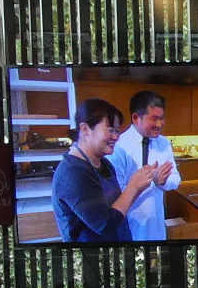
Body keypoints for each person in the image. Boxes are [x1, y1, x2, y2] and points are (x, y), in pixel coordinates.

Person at [50, 99, 166, 245]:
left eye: (117, 131)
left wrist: (144, 183)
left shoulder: (103, 163)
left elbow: (118, 207)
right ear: (85, 129)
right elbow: (105, 224)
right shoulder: (73, 173)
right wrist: (134, 186)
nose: (116, 137)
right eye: (110, 130)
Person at [109, 89, 179, 242]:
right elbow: (116, 193)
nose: (160, 124)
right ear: (136, 118)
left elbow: (176, 179)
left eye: (162, 118)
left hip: (156, 223)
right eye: (154, 119)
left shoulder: (164, 143)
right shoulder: (120, 147)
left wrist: (162, 181)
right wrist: (140, 183)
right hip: (130, 223)